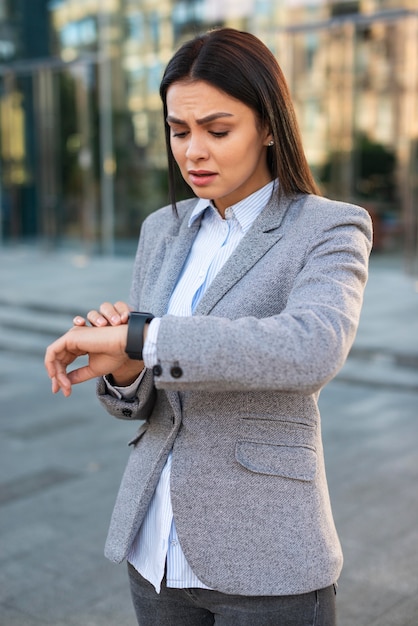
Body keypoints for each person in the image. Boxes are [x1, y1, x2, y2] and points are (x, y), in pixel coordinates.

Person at [45, 27, 372, 626]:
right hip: (155, 549)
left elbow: (312, 347)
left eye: (218, 131)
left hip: (268, 557)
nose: (193, 150)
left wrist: (143, 336)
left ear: (268, 126)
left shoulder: (328, 227)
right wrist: (124, 371)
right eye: (179, 130)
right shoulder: (161, 230)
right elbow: (145, 401)